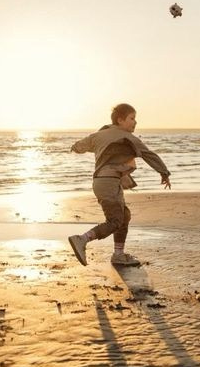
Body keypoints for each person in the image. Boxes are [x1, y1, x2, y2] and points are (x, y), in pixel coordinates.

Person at [67, 103, 171, 268]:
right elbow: (149, 155)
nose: (135, 122)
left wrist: (78, 148)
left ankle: (118, 254)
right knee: (115, 221)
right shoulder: (128, 137)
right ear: (120, 120)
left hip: (101, 182)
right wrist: (164, 172)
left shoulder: (99, 135)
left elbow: (79, 146)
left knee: (125, 216)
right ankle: (82, 239)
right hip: (109, 182)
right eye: (132, 118)